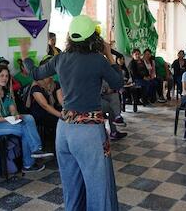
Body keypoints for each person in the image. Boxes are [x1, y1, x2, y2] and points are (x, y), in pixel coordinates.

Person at [21, 15, 123, 211]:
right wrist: (109, 55)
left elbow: (34, 74)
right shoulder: (98, 60)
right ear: (93, 38)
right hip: (89, 133)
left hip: (64, 131)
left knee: (72, 187)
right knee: (97, 188)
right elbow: (118, 83)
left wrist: (26, 57)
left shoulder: (60, 59)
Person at [0, 64, 53, 173]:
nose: (5, 78)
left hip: (7, 121)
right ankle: (30, 161)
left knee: (28, 118)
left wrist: (15, 115)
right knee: (25, 130)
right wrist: (7, 119)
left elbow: (12, 109)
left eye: (6, 76)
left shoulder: (6, 91)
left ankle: (35, 151)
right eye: (1, 76)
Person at [27, 58, 63, 135]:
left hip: (53, 108)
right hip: (41, 112)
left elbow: (61, 101)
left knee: (64, 119)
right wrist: (61, 116)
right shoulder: (36, 87)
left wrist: (67, 111)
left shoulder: (55, 84)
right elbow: (45, 105)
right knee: (58, 122)